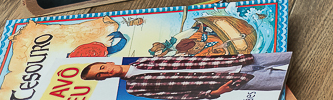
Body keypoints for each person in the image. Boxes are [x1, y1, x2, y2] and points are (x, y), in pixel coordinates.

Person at [80, 52, 291, 99]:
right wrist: (214, 93)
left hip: (235, 60)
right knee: (288, 82)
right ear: (102, 80)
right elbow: (174, 96)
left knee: (293, 56)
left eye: (101, 68)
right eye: (100, 76)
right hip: (230, 80)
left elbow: (184, 57)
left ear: (106, 62)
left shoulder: (143, 60)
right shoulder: (134, 88)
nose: (105, 72)